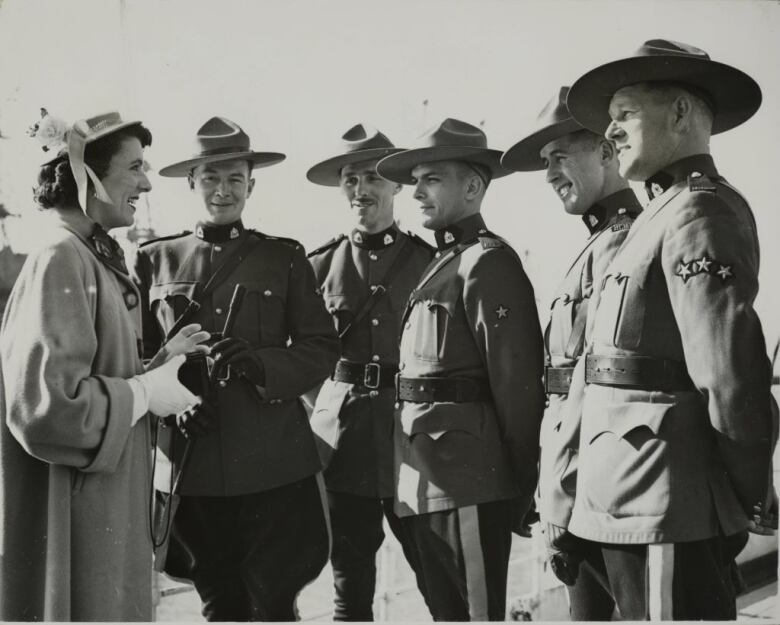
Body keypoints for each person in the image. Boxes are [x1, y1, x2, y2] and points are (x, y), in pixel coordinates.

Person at [563, 39, 778, 620]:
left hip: (666, 502)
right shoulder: (651, 216)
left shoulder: (700, 210)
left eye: (625, 114)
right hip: (617, 498)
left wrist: (749, 495)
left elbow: (729, 376)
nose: (609, 133)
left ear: (681, 114)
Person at [132, 116, 340, 621]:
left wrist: (263, 363)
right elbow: (137, 359)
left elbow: (320, 347)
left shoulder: (284, 257)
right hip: (193, 463)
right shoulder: (154, 261)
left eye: (234, 180)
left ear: (251, 184)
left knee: (274, 604)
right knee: (219, 605)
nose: (222, 191)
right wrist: (170, 407)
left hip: (273, 465)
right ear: (191, 182)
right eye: (210, 179)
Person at [0, 111, 204, 621]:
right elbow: (47, 410)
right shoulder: (61, 256)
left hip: (98, 506)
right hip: (79, 517)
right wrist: (142, 392)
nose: (146, 181)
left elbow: (94, 376)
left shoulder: (87, 257)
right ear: (87, 174)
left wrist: (158, 369)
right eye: (134, 167)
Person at [375, 118, 546, 621]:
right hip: (427, 479)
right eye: (416, 181)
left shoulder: (488, 263)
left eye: (431, 179)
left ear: (472, 186)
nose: (417, 193)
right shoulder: (446, 260)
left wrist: (520, 481)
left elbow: (517, 386)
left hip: (469, 479)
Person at [501, 87, 642, 620]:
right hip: (577, 489)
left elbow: (595, 383)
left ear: (607, 151)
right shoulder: (597, 241)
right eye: (545, 162)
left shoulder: (626, 241)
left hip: (605, 493)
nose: (550, 174)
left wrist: (557, 489)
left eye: (561, 155)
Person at [305, 124, 434, 620]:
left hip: (413, 441)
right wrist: (323, 412)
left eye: (373, 179)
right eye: (351, 180)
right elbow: (302, 358)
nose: (362, 191)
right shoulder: (320, 266)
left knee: (435, 571)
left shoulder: (427, 261)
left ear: (396, 186)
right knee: (349, 585)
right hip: (346, 448)